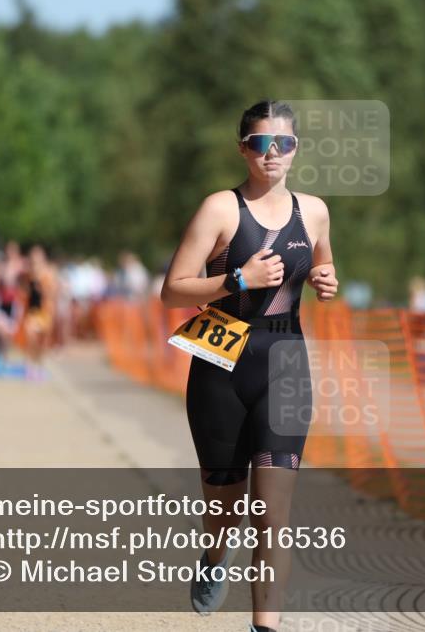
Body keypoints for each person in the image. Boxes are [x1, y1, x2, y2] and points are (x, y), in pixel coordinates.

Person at [161, 100, 338, 632]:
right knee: (225, 509)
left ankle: (264, 627)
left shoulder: (315, 211)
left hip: (285, 363)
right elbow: (171, 291)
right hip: (222, 364)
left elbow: (323, 261)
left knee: (273, 516)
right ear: (243, 148)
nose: (273, 154)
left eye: (283, 143)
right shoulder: (219, 209)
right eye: (262, 143)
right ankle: (214, 556)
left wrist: (327, 281)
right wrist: (238, 280)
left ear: (295, 149)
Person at [16, 245, 57, 381]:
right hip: (31, 312)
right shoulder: (28, 274)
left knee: (42, 342)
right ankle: (29, 367)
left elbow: (52, 292)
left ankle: (39, 366)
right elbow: (22, 290)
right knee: (30, 336)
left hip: (44, 311)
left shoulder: (48, 273)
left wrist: (42, 286)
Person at [0, 241, 25, 367]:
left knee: (8, 334)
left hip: (13, 303)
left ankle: (4, 357)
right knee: (0, 331)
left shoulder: (21, 266)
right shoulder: (2, 266)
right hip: (2, 302)